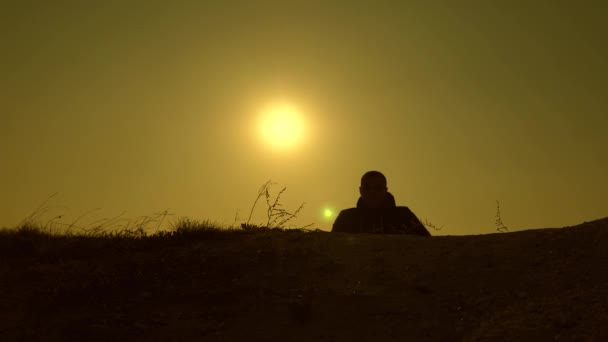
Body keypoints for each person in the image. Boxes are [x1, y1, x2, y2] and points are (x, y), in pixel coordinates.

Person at [332, 171, 431, 235]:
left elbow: (428, 245)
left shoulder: (404, 215)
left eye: (378, 188)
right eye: (367, 188)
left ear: (385, 190)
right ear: (360, 190)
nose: (372, 192)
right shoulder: (346, 217)